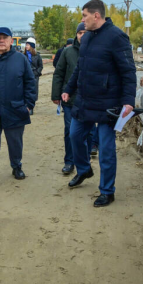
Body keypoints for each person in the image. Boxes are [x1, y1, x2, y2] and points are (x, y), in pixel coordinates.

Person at [61, 0, 136, 207]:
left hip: (108, 103)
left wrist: (128, 100)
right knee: (75, 136)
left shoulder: (117, 37)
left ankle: (107, 191)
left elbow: (128, 71)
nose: (82, 19)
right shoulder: (85, 39)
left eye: (84, 15)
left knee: (105, 148)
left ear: (96, 15)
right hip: (85, 101)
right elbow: (80, 69)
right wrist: (68, 89)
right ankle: (84, 170)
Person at [0, 27, 36, 190]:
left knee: (15, 142)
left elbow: (30, 83)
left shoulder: (20, 59)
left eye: (5, 38)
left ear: (12, 40)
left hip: (16, 109)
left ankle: (16, 166)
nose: (1, 41)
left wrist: (28, 105)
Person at [51, 24, 85, 174]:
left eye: (85, 32)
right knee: (70, 131)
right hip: (69, 99)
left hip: (89, 100)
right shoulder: (67, 52)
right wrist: (56, 95)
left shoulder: (96, 51)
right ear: (76, 34)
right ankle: (69, 162)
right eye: (80, 32)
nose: (82, 35)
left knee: (88, 132)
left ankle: (84, 163)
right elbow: (59, 73)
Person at [24, 37, 43, 114]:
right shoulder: (23, 55)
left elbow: (40, 66)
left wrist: (37, 73)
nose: (26, 46)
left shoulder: (37, 56)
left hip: (34, 76)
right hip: (25, 76)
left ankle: (31, 107)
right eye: (26, 45)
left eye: (28, 45)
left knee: (33, 91)